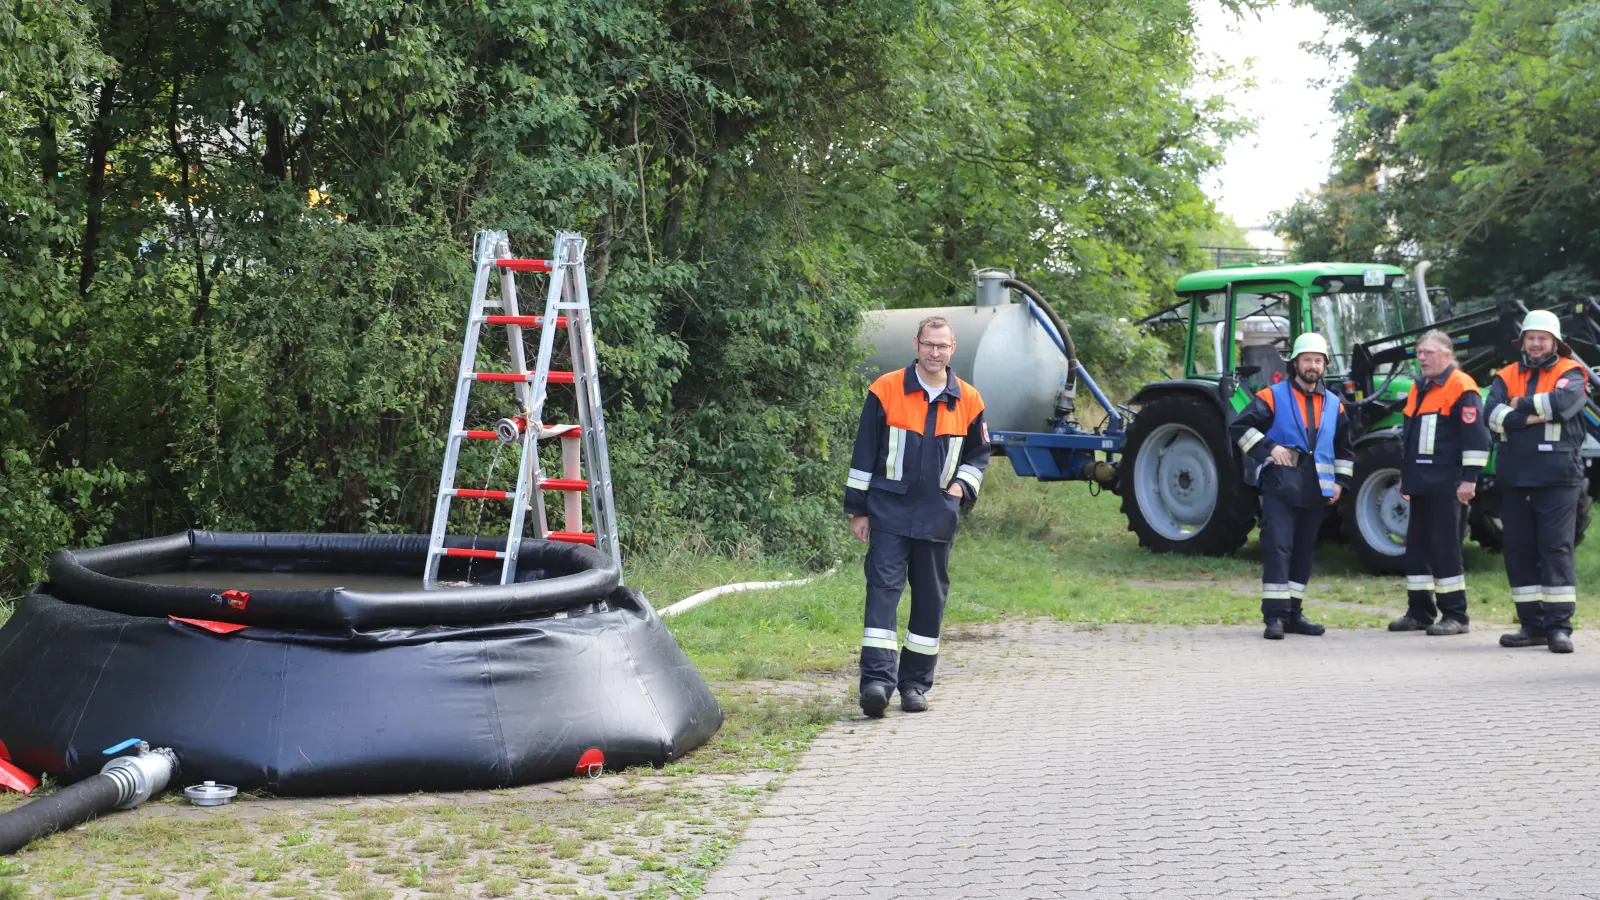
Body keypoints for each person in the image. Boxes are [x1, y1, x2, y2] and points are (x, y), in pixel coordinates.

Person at [845, 315, 990, 717]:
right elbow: (864, 452)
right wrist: (858, 509)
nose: (934, 352)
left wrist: (961, 485)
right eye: (928, 344)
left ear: (952, 349)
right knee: (882, 596)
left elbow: (980, 454)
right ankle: (876, 683)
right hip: (888, 512)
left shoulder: (969, 400)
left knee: (929, 601)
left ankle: (914, 686)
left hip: (936, 516)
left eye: (942, 346)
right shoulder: (886, 389)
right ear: (916, 344)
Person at [1228, 333, 1354, 640]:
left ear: (1325, 365)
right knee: (1278, 548)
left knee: (1303, 551)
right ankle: (1274, 617)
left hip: (1316, 489)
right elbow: (1239, 427)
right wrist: (1270, 448)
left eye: (1318, 361)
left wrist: (1341, 484)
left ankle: (1294, 613)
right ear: (1295, 363)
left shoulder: (1335, 405)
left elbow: (1345, 449)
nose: (1312, 366)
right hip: (1280, 484)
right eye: (1307, 360)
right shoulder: (1273, 396)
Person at [1484, 309, 1588, 654]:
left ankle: (1559, 628)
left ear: (1555, 342)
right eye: (1531, 338)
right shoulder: (1505, 374)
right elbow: (1491, 414)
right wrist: (1534, 414)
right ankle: (1531, 625)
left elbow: (1564, 404)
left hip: (1559, 477)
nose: (1536, 343)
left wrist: (1519, 408)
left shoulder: (1570, 372)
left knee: (1556, 549)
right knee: (1519, 550)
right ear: (1523, 342)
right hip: (1515, 477)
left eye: (1542, 338)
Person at [1388, 330, 1491, 635]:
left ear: (1447, 354)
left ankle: (1456, 616)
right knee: (1417, 548)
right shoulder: (1418, 388)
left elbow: (1476, 438)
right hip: (1420, 482)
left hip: (1448, 483)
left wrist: (1469, 479)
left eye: (1428, 352)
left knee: (1445, 549)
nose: (1422, 358)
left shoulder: (1461, 386)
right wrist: (1406, 475)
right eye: (1419, 353)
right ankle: (1419, 612)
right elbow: (1410, 437)